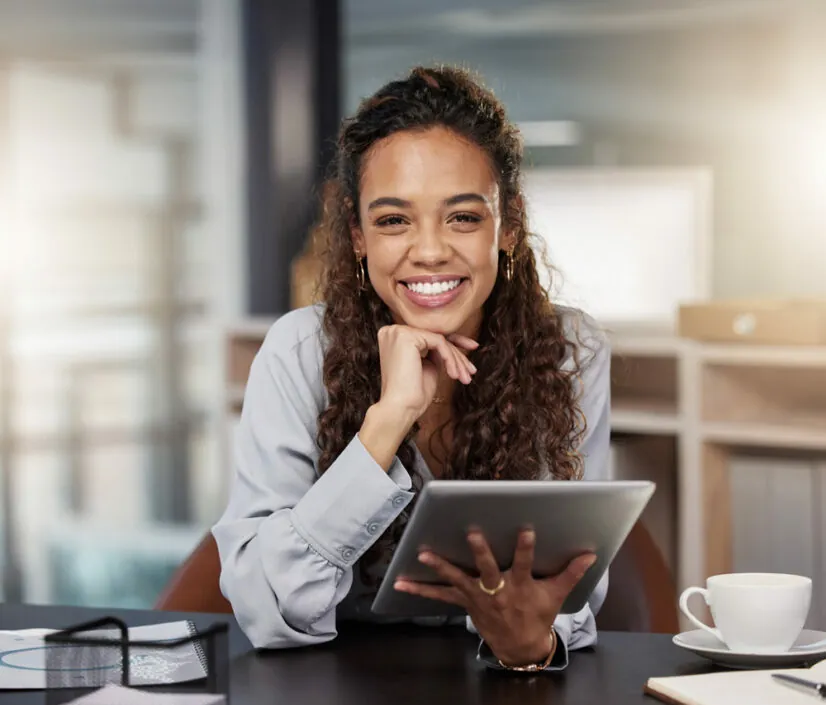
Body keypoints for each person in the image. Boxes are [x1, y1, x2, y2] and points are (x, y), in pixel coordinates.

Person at [212, 65, 611, 672]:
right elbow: (269, 612)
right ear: (358, 235)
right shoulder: (297, 352)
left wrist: (534, 642)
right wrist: (387, 421)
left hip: (501, 696)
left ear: (509, 226)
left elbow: (574, 585)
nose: (428, 251)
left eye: (463, 217)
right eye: (394, 220)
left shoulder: (568, 348)